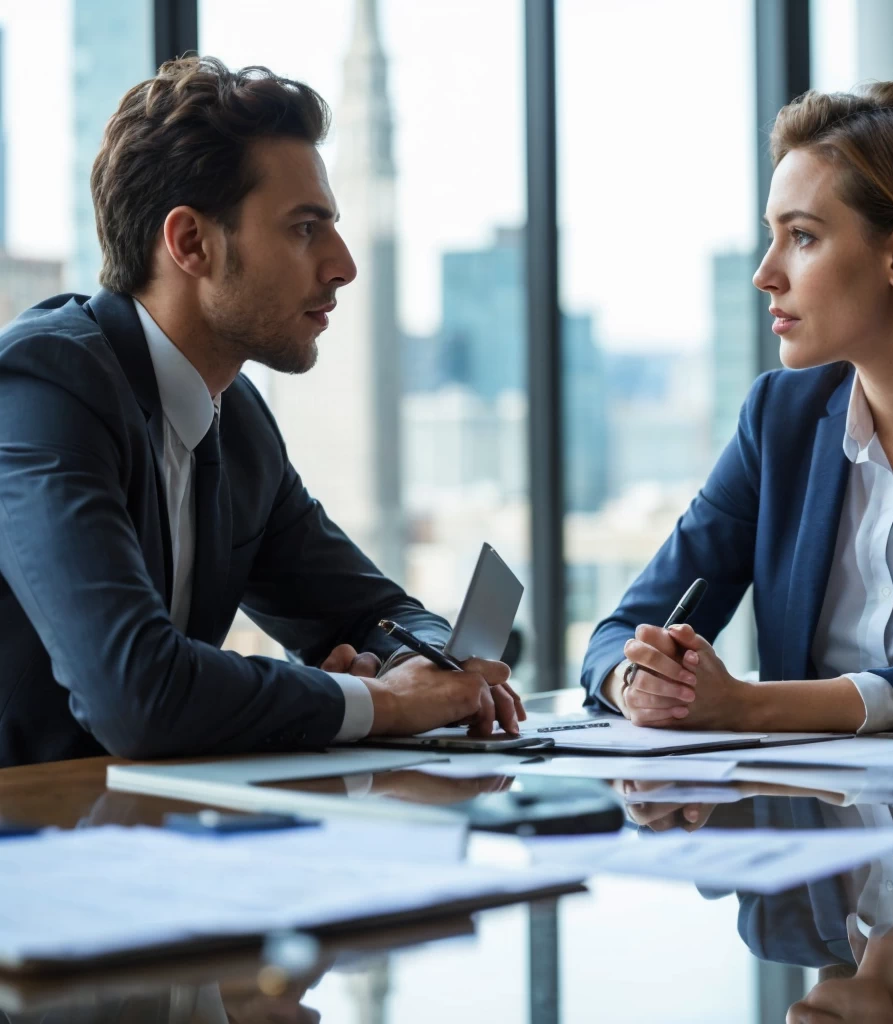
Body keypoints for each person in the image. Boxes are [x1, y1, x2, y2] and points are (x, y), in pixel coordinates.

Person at [0, 57, 524, 768]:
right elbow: (134, 692)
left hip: (134, 835)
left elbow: (379, 615)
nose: (343, 264)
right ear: (190, 243)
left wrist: (433, 672)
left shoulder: (236, 417)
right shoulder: (45, 387)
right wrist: (380, 704)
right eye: (306, 229)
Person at [582, 81, 893, 735]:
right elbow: (622, 630)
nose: (765, 273)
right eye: (773, 235)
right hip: (814, 818)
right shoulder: (779, 417)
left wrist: (745, 704)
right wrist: (639, 682)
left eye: (803, 237)